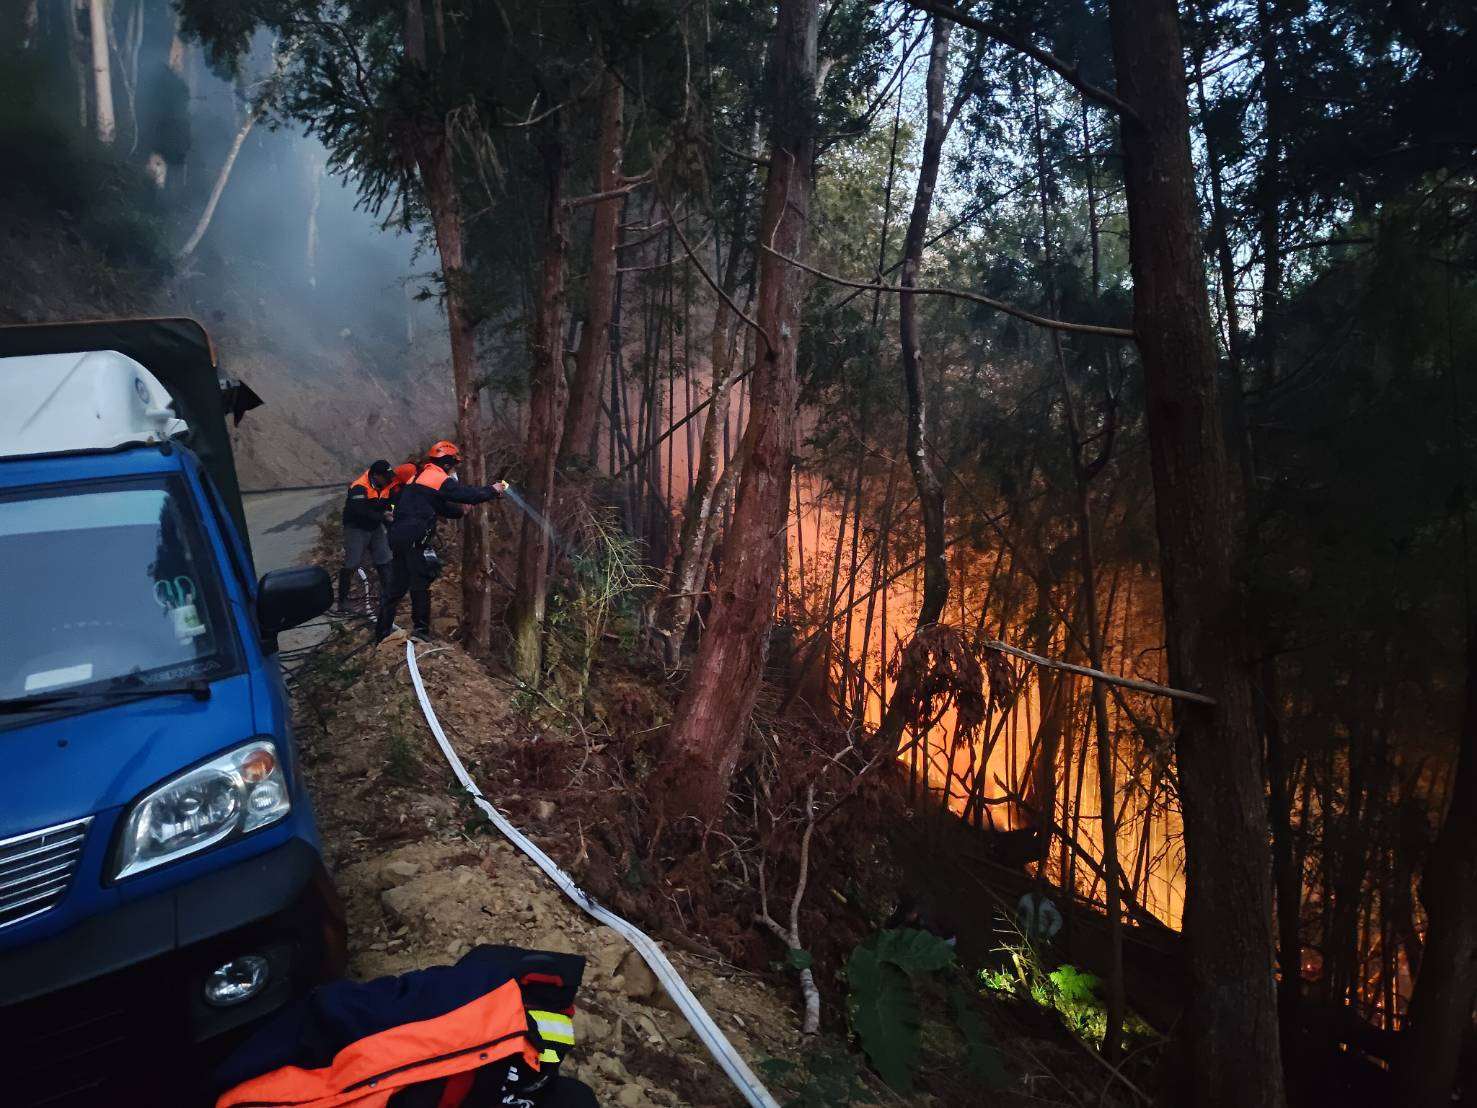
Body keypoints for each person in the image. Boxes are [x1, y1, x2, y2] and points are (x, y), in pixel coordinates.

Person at [375, 440, 507, 642]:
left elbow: (439, 506)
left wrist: (460, 512)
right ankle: (421, 632)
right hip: (412, 537)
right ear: (446, 463)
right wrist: (493, 489)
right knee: (420, 580)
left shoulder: (420, 477)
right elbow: (466, 494)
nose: (453, 470)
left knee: (397, 585)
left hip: (399, 535)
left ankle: (381, 633)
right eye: (453, 465)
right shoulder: (436, 477)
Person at [338, 459, 397, 614]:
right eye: (386, 476)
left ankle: (389, 596)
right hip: (356, 528)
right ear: (377, 475)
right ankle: (342, 602)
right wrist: (383, 516)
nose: (389, 479)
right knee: (352, 562)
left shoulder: (386, 485)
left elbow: (391, 503)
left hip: (375, 526)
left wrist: (391, 511)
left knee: (384, 559)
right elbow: (359, 512)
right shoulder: (359, 487)